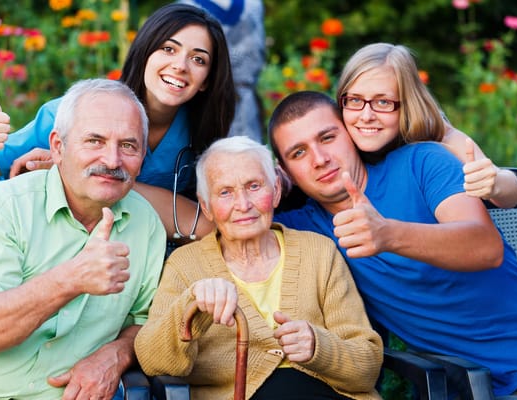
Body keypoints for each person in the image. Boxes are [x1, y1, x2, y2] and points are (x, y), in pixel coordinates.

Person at [268, 91, 517, 398]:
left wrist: (386, 234)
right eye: (298, 153)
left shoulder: (421, 162)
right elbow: (220, 217)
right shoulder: (303, 228)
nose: (319, 159)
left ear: (350, 133)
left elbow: (485, 248)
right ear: (284, 171)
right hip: (475, 389)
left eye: (328, 137)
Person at [0, 79, 166, 400]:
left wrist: (117, 354)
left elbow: (145, 321)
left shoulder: (145, 224)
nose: (112, 160)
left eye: (128, 146)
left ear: (142, 156)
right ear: (58, 147)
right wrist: (72, 278)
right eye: (94, 140)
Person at [134, 136, 383, 400]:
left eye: (254, 186)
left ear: (275, 190)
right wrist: (191, 308)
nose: (243, 205)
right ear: (206, 207)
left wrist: (318, 347)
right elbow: (153, 361)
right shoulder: (185, 265)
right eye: (225, 192)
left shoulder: (319, 252)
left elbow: (367, 366)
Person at [0, 3, 236, 240]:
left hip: (147, 248)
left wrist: (78, 172)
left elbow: (209, 221)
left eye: (198, 59)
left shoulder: (203, 131)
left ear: (207, 80)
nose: (180, 65)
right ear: (144, 53)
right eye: (168, 49)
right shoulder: (76, 111)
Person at [335, 42, 517, 208]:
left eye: (383, 102)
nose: (366, 116)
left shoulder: (439, 135)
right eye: (354, 100)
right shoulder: (334, 137)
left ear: (409, 104)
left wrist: (495, 183)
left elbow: (512, 195)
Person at [178, 0, 266, 142]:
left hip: (245, 103)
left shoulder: (254, 5)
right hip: (204, 103)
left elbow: (258, 53)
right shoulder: (185, 7)